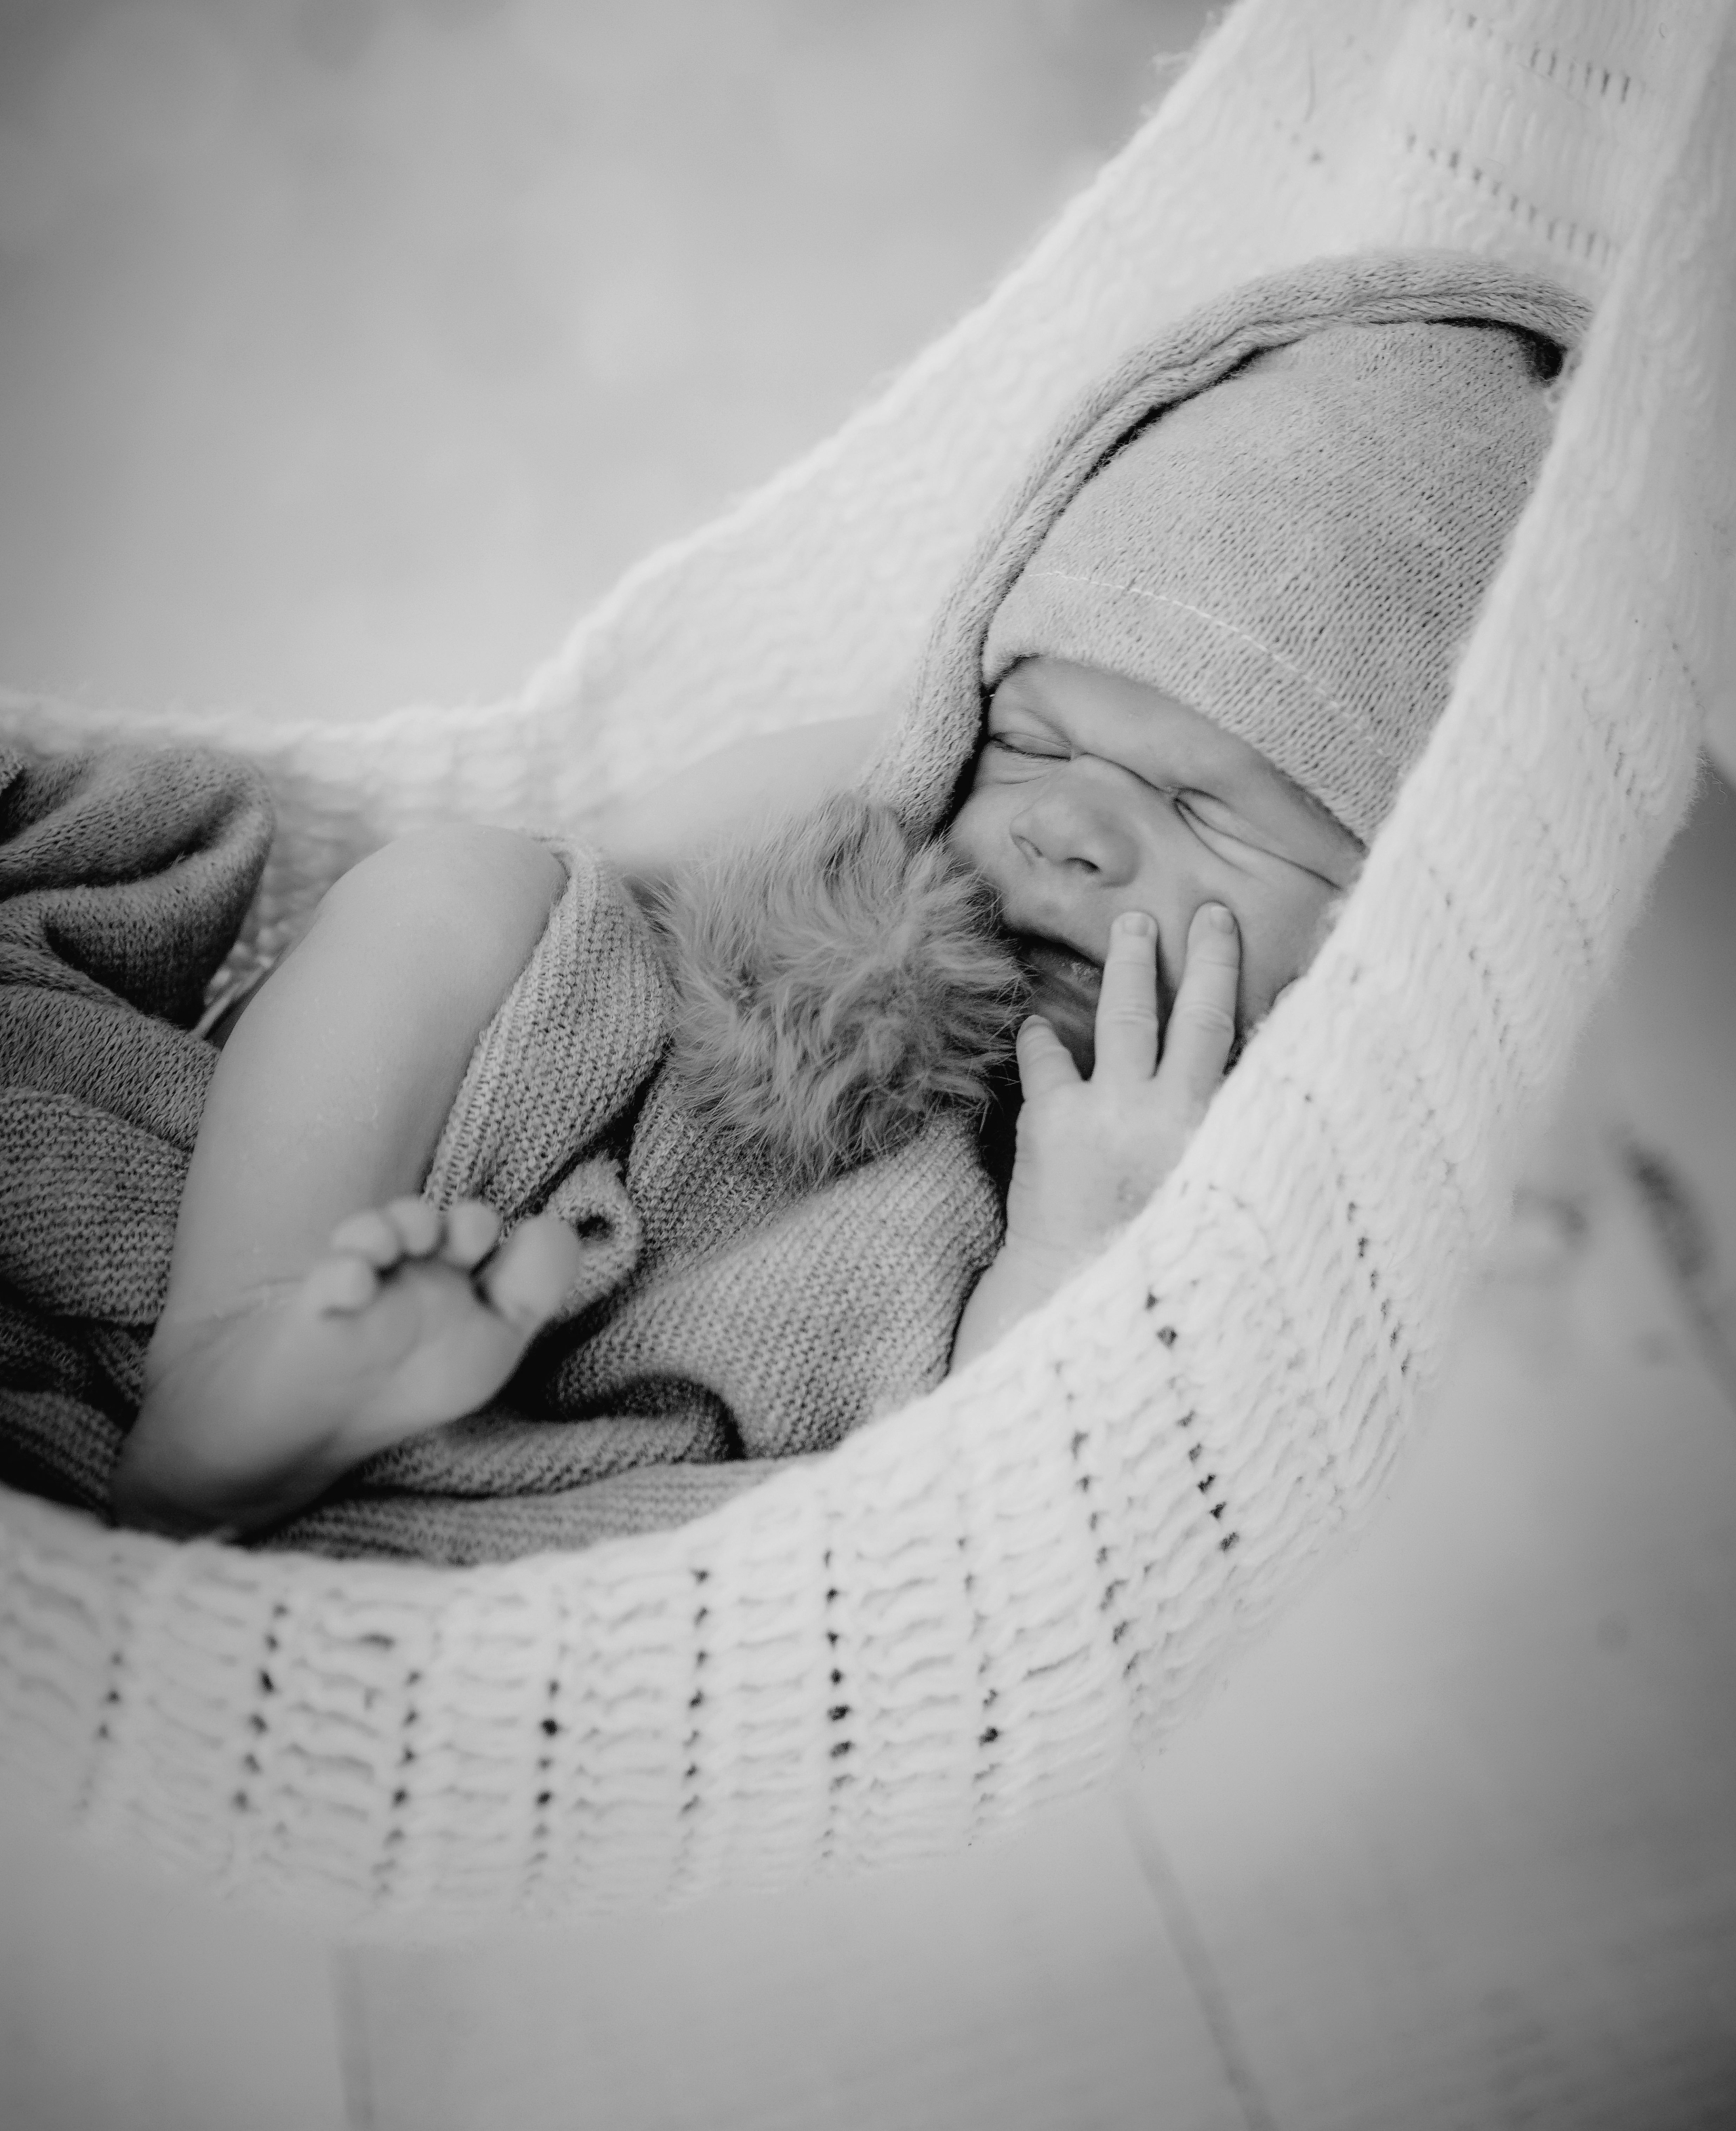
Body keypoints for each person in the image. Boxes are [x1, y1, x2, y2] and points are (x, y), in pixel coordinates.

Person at [105, 254, 1581, 1543]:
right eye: (1033, 742)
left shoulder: (1304, 1171)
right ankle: (238, 1350)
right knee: (468, 881)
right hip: (450, 1193)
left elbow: (1005, 1531)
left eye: (1201, 810)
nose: (1067, 823)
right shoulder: (890, 801)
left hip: (690, 1510)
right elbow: (598, 872)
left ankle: (302, 1426)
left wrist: (1072, 1254)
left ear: (1381, 905)